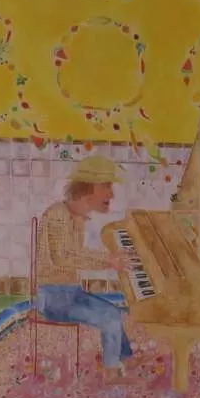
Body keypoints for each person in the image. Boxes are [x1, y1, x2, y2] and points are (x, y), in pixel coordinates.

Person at [35, 155, 133, 383]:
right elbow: (64, 257)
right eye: (106, 186)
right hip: (53, 299)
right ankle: (111, 374)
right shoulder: (58, 215)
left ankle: (126, 359)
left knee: (113, 312)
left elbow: (76, 255)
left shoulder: (75, 216)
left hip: (72, 292)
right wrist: (107, 261)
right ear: (89, 188)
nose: (111, 195)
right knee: (108, 320)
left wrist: (109, 260)